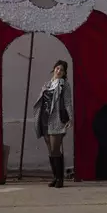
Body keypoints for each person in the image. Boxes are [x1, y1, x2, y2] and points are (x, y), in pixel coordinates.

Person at [33, 60, 73, 188]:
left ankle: (60, 179)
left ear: (64, 73)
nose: (59, 71)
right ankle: (55, 177)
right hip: (45, 120)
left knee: (56, 149)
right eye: (57, 68)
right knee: (50, 150)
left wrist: (71, 118)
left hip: (57, 119)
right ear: (53, 69)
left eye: (61, 70)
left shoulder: (64, 85)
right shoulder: (47, 84)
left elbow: (67, 102)